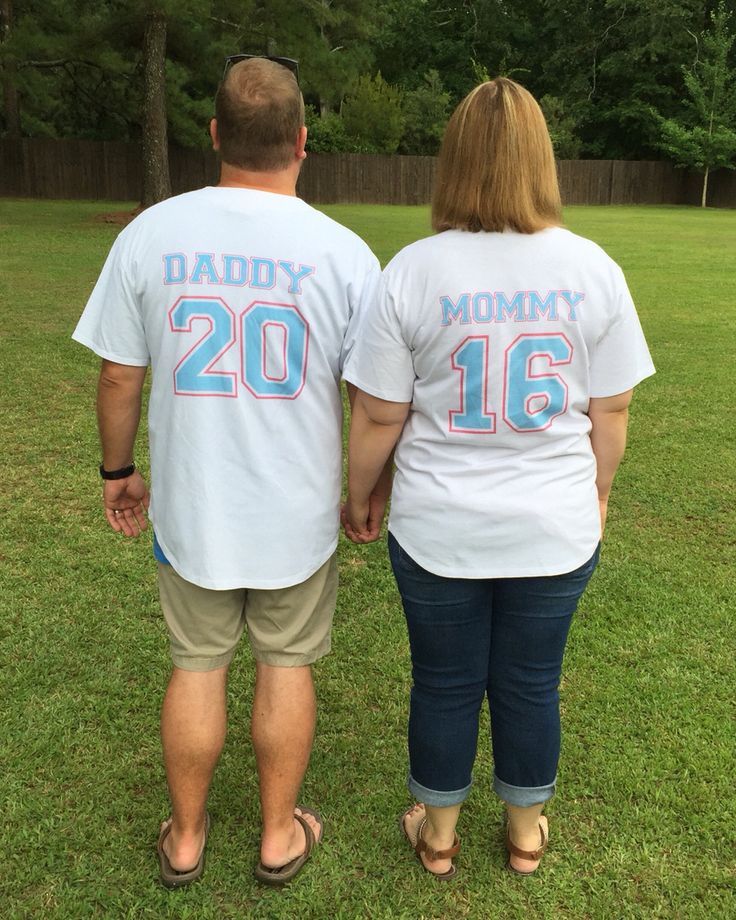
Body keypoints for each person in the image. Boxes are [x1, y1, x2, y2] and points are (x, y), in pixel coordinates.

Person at [73, 55, 380, 888]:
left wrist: (116, 470)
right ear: (303, 142)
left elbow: (117, 376)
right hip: (297, 517)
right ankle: (278, 836)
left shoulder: (151, 233)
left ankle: (185, 839)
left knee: (196, 664)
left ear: (214, 135)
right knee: (287, 663)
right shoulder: (345, 253)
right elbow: (372, 397)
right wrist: (363, 494)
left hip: (193, 508)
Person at [342, 77, 655, 880]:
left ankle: (439, 836)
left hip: (438, 524)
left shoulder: (412, 270)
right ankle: (524, 834)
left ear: (453, 162)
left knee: (444, 682)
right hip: (553, 523)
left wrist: (359, 493)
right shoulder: (594, 268)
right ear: (541, 161)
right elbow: (609, 413)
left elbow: (379, 416)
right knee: (530, 683)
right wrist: (600, 494)